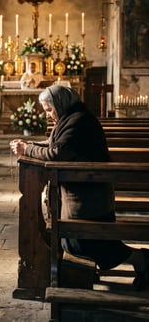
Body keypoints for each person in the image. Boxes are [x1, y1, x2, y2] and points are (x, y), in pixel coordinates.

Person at [10, 84, 149, 291]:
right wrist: (28, 145)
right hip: (81, 192)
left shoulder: (79, 121)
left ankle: (141, 259)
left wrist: (27, 148)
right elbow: (51, 144)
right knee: (80, 239)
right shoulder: (70, 117)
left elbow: (58, 152)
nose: (48, 115)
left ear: (60, 103)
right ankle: (90, 272)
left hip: (90, 196)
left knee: (90, 240)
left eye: (49, 109)